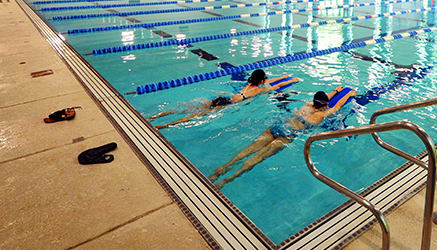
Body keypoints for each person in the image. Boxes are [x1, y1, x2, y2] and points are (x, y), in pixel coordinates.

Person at [208, 86, 357, 188]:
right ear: (325, 105)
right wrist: (349, 94)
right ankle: (226, 180)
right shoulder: (321, 115)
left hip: (278, 126)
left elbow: (321, 100)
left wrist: (335, 91)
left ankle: (221, 169)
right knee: (258, 157)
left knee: (249, 149)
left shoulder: (307, 106)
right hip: (287, 135)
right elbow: (337, 106)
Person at [153, 69, 298, 128]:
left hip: (223, 98)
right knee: (195, 116)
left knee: (190, 108)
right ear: (261, 80)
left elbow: (271, 80)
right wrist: (291, 80)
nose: (266, 80)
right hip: (228, 104)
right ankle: (166, 125)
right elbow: (277, 85)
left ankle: (156, 116)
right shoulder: (259, 90)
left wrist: (283, 76)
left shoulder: (250, 84)